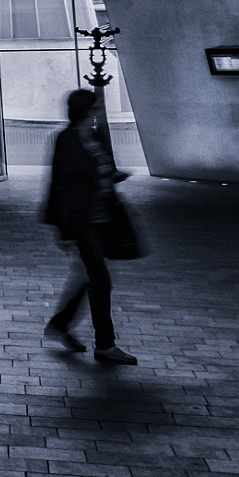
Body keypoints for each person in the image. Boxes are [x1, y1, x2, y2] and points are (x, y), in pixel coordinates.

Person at [42, 88, 137, 364]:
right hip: (80, 221)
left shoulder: (94, 137)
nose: (98, 112)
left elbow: (100, 170)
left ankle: (60, 325)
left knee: (89, 277)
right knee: (100, 278)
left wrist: (112, 176)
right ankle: (105, 345)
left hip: (103, 217)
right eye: (95, 108)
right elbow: (58, 183)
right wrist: (60, 228)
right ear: (85, 111)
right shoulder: (66, 140)